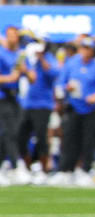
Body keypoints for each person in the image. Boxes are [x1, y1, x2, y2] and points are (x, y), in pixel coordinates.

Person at [55, 37, 95, 186]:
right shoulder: (71, 64)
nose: (85, 51)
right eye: (83, 48)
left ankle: (85, 170)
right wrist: (66, 88)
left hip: (91, 109)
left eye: (88, 49)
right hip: (73, 106)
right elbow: (61, 82)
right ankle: (66, 170)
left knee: (88, 141)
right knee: (69, 139)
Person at [15, 35, 56, 180]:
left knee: (41, 138)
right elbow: (23, 75)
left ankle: (44, 170)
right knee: (20, 136)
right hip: (27, 103)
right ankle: (27, 168)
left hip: (43, 105)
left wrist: (41, 59)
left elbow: (53, 75)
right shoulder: (27, 58)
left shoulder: (49, 59)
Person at [0, 26, 22, 175]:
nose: (12, 38)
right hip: (2, 96)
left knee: (12, 132)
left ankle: (3, 165)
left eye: (15, 35)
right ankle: (16, 166)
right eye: (10, 35)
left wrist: (25, 71)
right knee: (9, 132)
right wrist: (10, 78)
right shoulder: (1, 54)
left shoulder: (20, 55)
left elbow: (31, 78)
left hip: (15, 97)